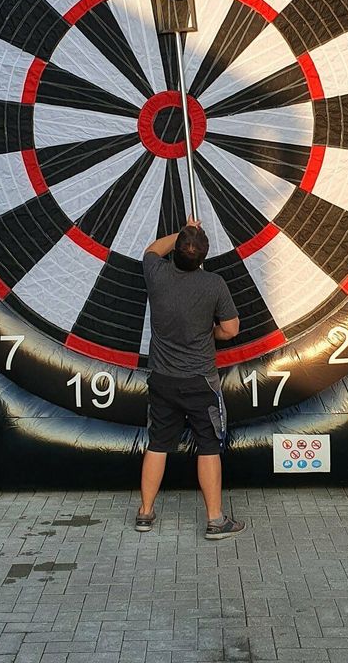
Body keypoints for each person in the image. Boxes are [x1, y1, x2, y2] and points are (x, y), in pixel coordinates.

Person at [137, 217, 244, 540]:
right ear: (203, 257)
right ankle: (215, 520)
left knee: (157, 444)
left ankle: (145, 513)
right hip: (200, 380)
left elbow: (152, 250)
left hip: (162, 378)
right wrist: (208, 332)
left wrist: (183, 231)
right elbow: (231, 329)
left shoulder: (156, 274)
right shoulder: (213, 285)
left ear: (177, 252)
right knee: (208, 446)